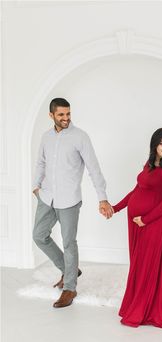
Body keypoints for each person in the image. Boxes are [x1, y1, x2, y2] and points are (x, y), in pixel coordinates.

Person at [32, 98, 113, 308]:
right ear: (51, 115)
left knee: (69, 243)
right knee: (39, 236)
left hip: (69, 200)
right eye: (61, 115)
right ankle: (69, 269)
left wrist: (102, 197)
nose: (66, 118)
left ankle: (70, 287)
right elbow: (41, 162)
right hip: (47, 196)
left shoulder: (80, 137)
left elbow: (93, 168)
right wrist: (35, 186)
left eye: (68, 114)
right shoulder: (46, 137)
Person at [111, 127, 162, 328]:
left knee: (148, 266)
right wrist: (116, 208)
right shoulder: (150, 163)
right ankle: (138, 303)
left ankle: (148, 309)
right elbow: (137, 190)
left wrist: (146, 219)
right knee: (139, 264)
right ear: (154, 145)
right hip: (138, 223)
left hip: (156, 223)